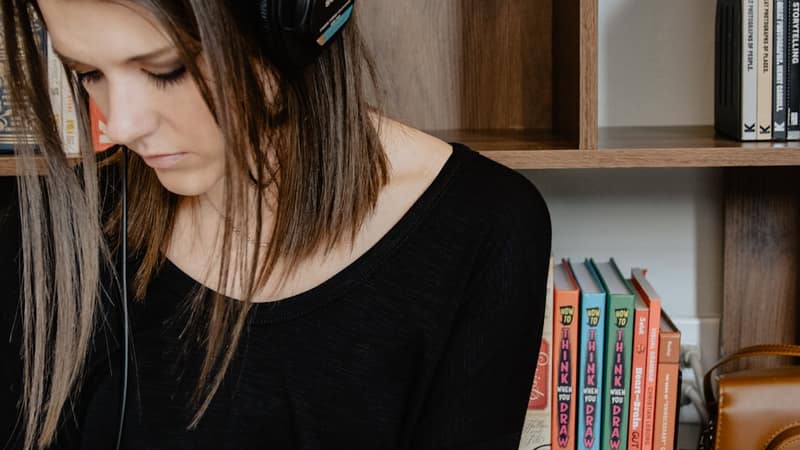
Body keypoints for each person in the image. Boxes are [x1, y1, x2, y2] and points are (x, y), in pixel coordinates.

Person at [0, 1, 552, 449]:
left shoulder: (488, 227)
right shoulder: (48, 229)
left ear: (290, 20)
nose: (119, 123)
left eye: (166, 70)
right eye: (88, 73)